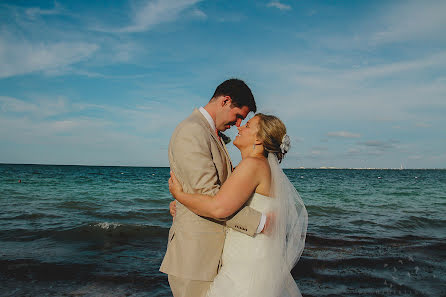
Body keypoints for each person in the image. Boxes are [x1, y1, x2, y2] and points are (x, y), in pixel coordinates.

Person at [169, 113, 308, 297]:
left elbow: (218, 208)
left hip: (246, 264)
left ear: (258, 139)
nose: (240, 127)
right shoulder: (261, 166)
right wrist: (187, 205)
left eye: (248, 125)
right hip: (252, 257)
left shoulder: (253, 164)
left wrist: (180, 195)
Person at [160, 79, 268, 297]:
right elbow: (210, 198)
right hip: (195, 260)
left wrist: (181, 200)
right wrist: (262, 223)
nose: (238, 124)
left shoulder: (208, 132)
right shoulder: (192, 131)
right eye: (238, 116)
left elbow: (210, 192)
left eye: (243, 121)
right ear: (225, 101)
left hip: (212, 256)